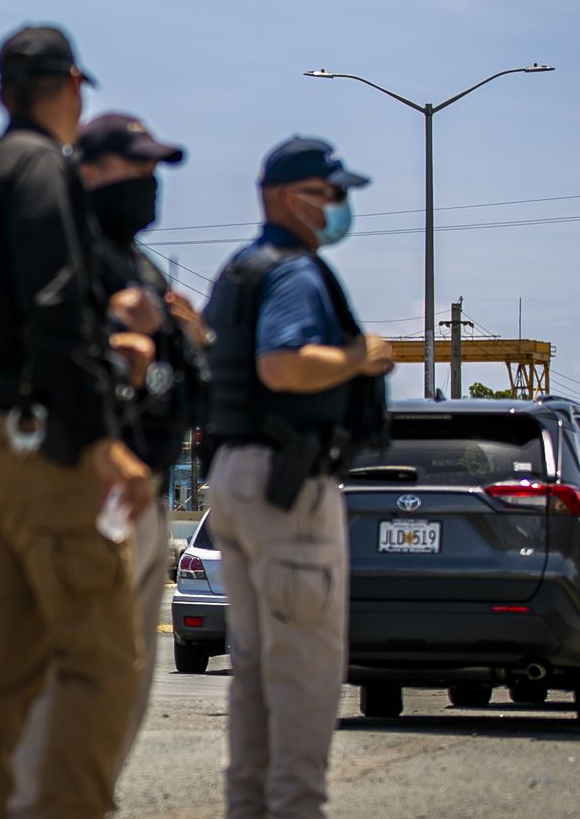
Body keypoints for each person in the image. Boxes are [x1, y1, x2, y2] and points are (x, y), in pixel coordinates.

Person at [0, 24, 153, 819]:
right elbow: (58, 312)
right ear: (70, 85)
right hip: (44, 444)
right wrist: (103, 441)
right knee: (102, 662)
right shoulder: (44, 173)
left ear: (1, 93)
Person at [9, 113, 210, 816]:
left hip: (146, 490)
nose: (150, 184)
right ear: (89, 170)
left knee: (128, 675)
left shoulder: (143, 268)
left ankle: (89, 797)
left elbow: (192, 385)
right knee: (84, 668)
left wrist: (176, 347)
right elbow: (63, 371)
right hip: (91, 485)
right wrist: (144, 364)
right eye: (136, 167)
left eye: (156, 169)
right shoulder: (72, 258)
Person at [200, 136, 394, 819]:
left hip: (234, 478)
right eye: (332, 193)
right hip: (287, 486)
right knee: (306, 680)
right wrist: (358, 356)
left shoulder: (237, 271)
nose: (340, 207)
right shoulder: (293, 272)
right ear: (293, 197)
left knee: (254, 675)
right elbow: (281, 366)